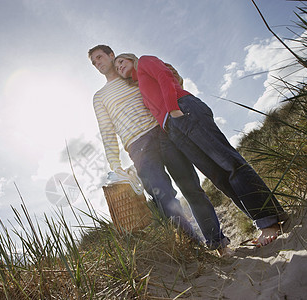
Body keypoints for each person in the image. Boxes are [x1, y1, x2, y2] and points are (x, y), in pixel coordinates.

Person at [114, 53, 288, 247]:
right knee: (219, 177)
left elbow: (165, 76)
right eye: (117, 66)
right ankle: (262, 221)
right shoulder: (140, 86)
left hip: (183, 111)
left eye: (121, 61)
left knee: (229, 163)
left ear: (131, 58)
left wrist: (173, 109)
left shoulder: (145, 61)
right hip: (173, 128)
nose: (119, 66)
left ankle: (270, 221)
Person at [88, 45, 232, 255]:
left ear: (112, 55)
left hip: (164, 133)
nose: (97, 63)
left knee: (191, 188)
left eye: (99, 57)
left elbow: (166, 83)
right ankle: (194, 251)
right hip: (138, 148)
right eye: (93, 62)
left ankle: (217, 242)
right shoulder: (99, 97)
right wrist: (115, 165)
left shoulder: (134, 77)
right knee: (164, 199)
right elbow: (106, 130)